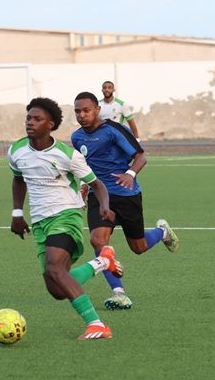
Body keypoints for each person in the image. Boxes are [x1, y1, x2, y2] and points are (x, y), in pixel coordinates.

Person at [8, 97, 124, 340]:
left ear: (50, 124)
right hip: (40, 222)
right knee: (57, 289)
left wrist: (104, 206)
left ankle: (97, 325)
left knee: (54, 266)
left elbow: (97, 184)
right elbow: (19, 180)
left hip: (66, 215)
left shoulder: (67, 155)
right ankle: (103, 262)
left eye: (37, 119)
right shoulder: (16, 150)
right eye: (28, 117)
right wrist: (17, 213)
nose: (30, 122)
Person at [72, 91, 180, 310]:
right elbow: (85, 165)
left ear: (97, 110)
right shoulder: (77, 137)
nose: (82, 115)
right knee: (97, 241)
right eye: (77, 111)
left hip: (127, 194)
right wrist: (84, 186)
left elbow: (141, 156)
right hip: (99, 195)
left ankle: (162, 232)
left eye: (86, 110)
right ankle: (119, 293)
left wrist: (129, 175)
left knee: (138, 247)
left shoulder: (114, 130)